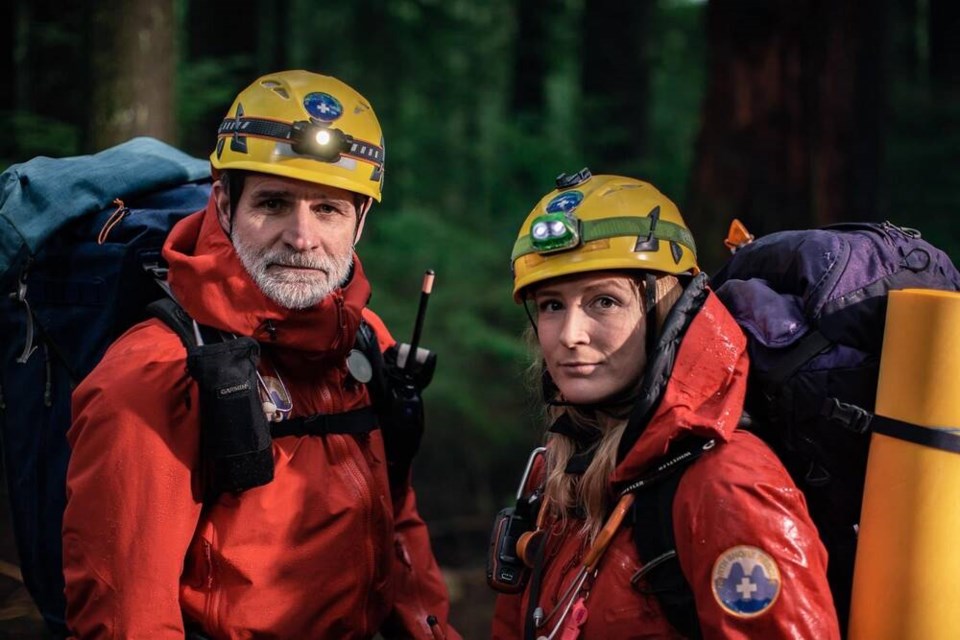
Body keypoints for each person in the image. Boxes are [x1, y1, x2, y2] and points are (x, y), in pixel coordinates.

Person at [62, 70, 458, 639]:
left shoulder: (364, 339)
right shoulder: (155, 372)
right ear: (223, 204)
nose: (301, 237)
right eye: (273, 203)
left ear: (360, 222)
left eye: (328, 210)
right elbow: (126, 617)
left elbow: (399, 523)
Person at [490, 170, 840, 638]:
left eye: (604, 302)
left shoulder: (727, 485)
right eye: (552, 305)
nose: (570, 335)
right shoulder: (564, 469)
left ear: (666, 310)